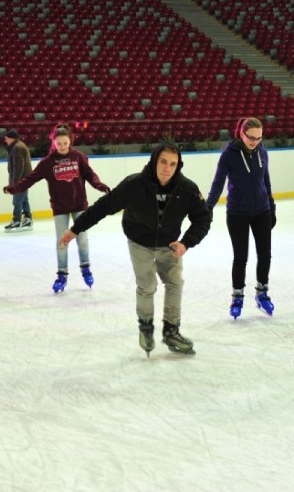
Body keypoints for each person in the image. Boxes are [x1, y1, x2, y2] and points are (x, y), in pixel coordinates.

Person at [59, 143, 212, 357]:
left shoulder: (186, 189)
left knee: (175, 283)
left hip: (169, 245)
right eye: (163, 162)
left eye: (172, 164)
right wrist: (75, 229)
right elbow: (104, 206)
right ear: (154, 161)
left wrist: (186, 242)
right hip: (140, 242)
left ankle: (171, 331)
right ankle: (146, 328)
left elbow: (203, 218)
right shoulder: (135, 185)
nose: (167, 168)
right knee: (147, 286)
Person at [4, 124, 110, 293]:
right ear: (54, 143)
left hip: (79, 205)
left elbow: (90, 174)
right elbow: (30, 179)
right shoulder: (47, 163)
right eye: (58, 143)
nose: (62, 146)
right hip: (60, 207)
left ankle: (86, 269)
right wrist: (15, 188)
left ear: (70, 141)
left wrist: (98, 185)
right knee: (62, 242)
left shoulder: (79, 157)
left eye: (65, 143)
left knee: (82, 240)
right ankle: (62, 274)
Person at [206, 117, 277, 320]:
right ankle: (237, 296)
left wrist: (272, 207)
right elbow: (218, 183)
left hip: (262, 210)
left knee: (265, 254)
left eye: (259, 138)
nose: (255, 141)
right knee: (241, 257)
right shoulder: (229, 155)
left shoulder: (263, 152)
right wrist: (209, 206)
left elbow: (267, 181)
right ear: (241, 134)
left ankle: (262, 293)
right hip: (237, 213)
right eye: (251, 138)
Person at [3, 129, 33, 232]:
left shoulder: (17, 148)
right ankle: (28, 219)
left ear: (12, 138)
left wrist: (15, 184)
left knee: (17, 200)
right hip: (25, 178)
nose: (5, 140)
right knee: (24, 199)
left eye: (6, 138)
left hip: (21, 179)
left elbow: (18, 167)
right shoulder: (19, 146)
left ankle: (17, 220)